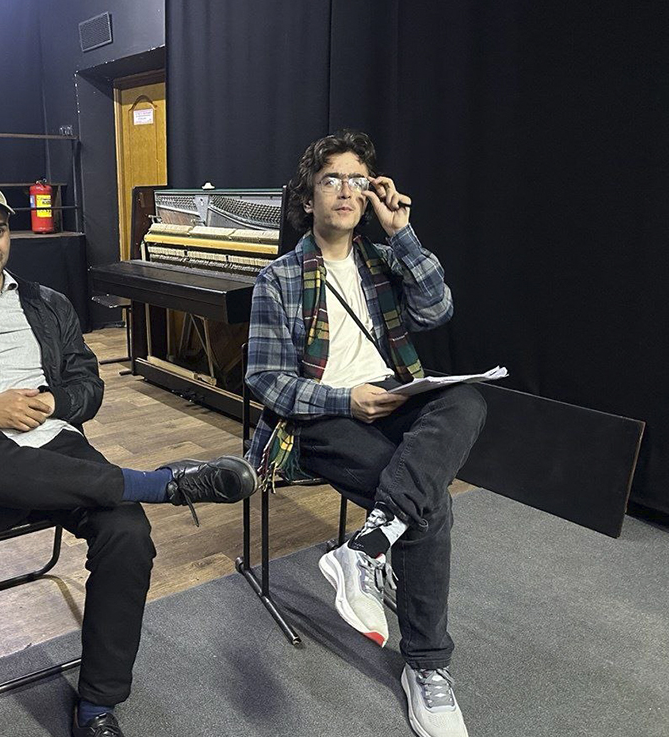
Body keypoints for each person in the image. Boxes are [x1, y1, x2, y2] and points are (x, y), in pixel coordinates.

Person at [0, 176, 257, 737]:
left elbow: (88, 386)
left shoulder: (49, 304)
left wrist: (56, 401)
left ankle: (97, 706)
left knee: (128, 533)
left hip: (56, 450)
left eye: (0, 231)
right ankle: (159, 484)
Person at [245, 131, 487, 737]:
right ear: (309, 198)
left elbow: (437, 309)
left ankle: (366, 548)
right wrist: (343, 399)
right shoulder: (279, 277)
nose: (347, 190)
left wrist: (402, 232)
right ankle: (426, 666)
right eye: (332, 179)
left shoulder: (383, 259)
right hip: (320, 416)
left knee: (467, 399)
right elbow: (265, 381)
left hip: (393, 394)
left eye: (358, 180)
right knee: (429, 505)